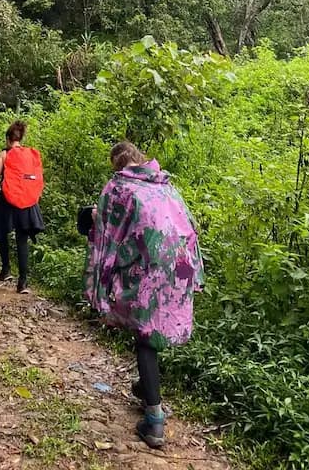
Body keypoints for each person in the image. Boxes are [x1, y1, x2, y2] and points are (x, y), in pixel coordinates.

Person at [82, 141, 204, 450]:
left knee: (145, 336)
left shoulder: (119, 186)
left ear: (118, 166)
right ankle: (145, 387)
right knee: (154, 331)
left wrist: (100, 283)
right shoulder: (165, 186)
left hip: (147, 266)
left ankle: (154, 420)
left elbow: (109, 234)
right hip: (178, 266)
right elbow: (190, 229)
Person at [0, 120, 44, 294]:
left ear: (7, 139)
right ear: (20, 138)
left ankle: (6, 269)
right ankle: (23, 282)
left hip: (7, 200)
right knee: (22, 239)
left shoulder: (4, 154)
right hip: (27, 201)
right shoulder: (30, 154)